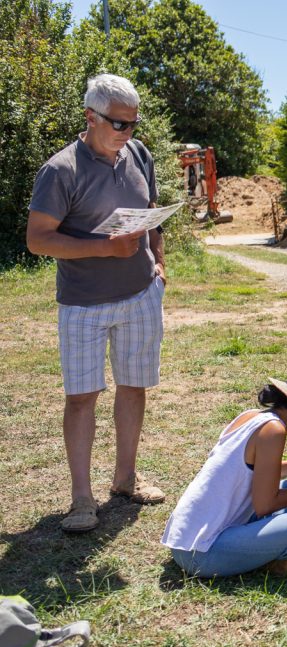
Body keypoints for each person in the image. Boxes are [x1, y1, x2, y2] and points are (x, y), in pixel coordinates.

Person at [26, 74, 166, 534]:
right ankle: (81, 499)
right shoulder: (60, 170)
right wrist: (104, 249)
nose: (128, 133)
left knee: (133, 385)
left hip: (141, 293)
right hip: (84, 303)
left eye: (133, 123)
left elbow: (152, 216)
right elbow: (38, 240)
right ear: (90, 116)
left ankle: (125, 479)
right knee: (82, 397)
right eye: (119, 124)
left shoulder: (139, 154)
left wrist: (159, 266)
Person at [162, 365, 287, 580]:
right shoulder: (274, 431)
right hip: (201, 553)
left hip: (185, 538)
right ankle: (278, 558)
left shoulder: (252, 416)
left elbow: (250, 471)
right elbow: (264, 505)